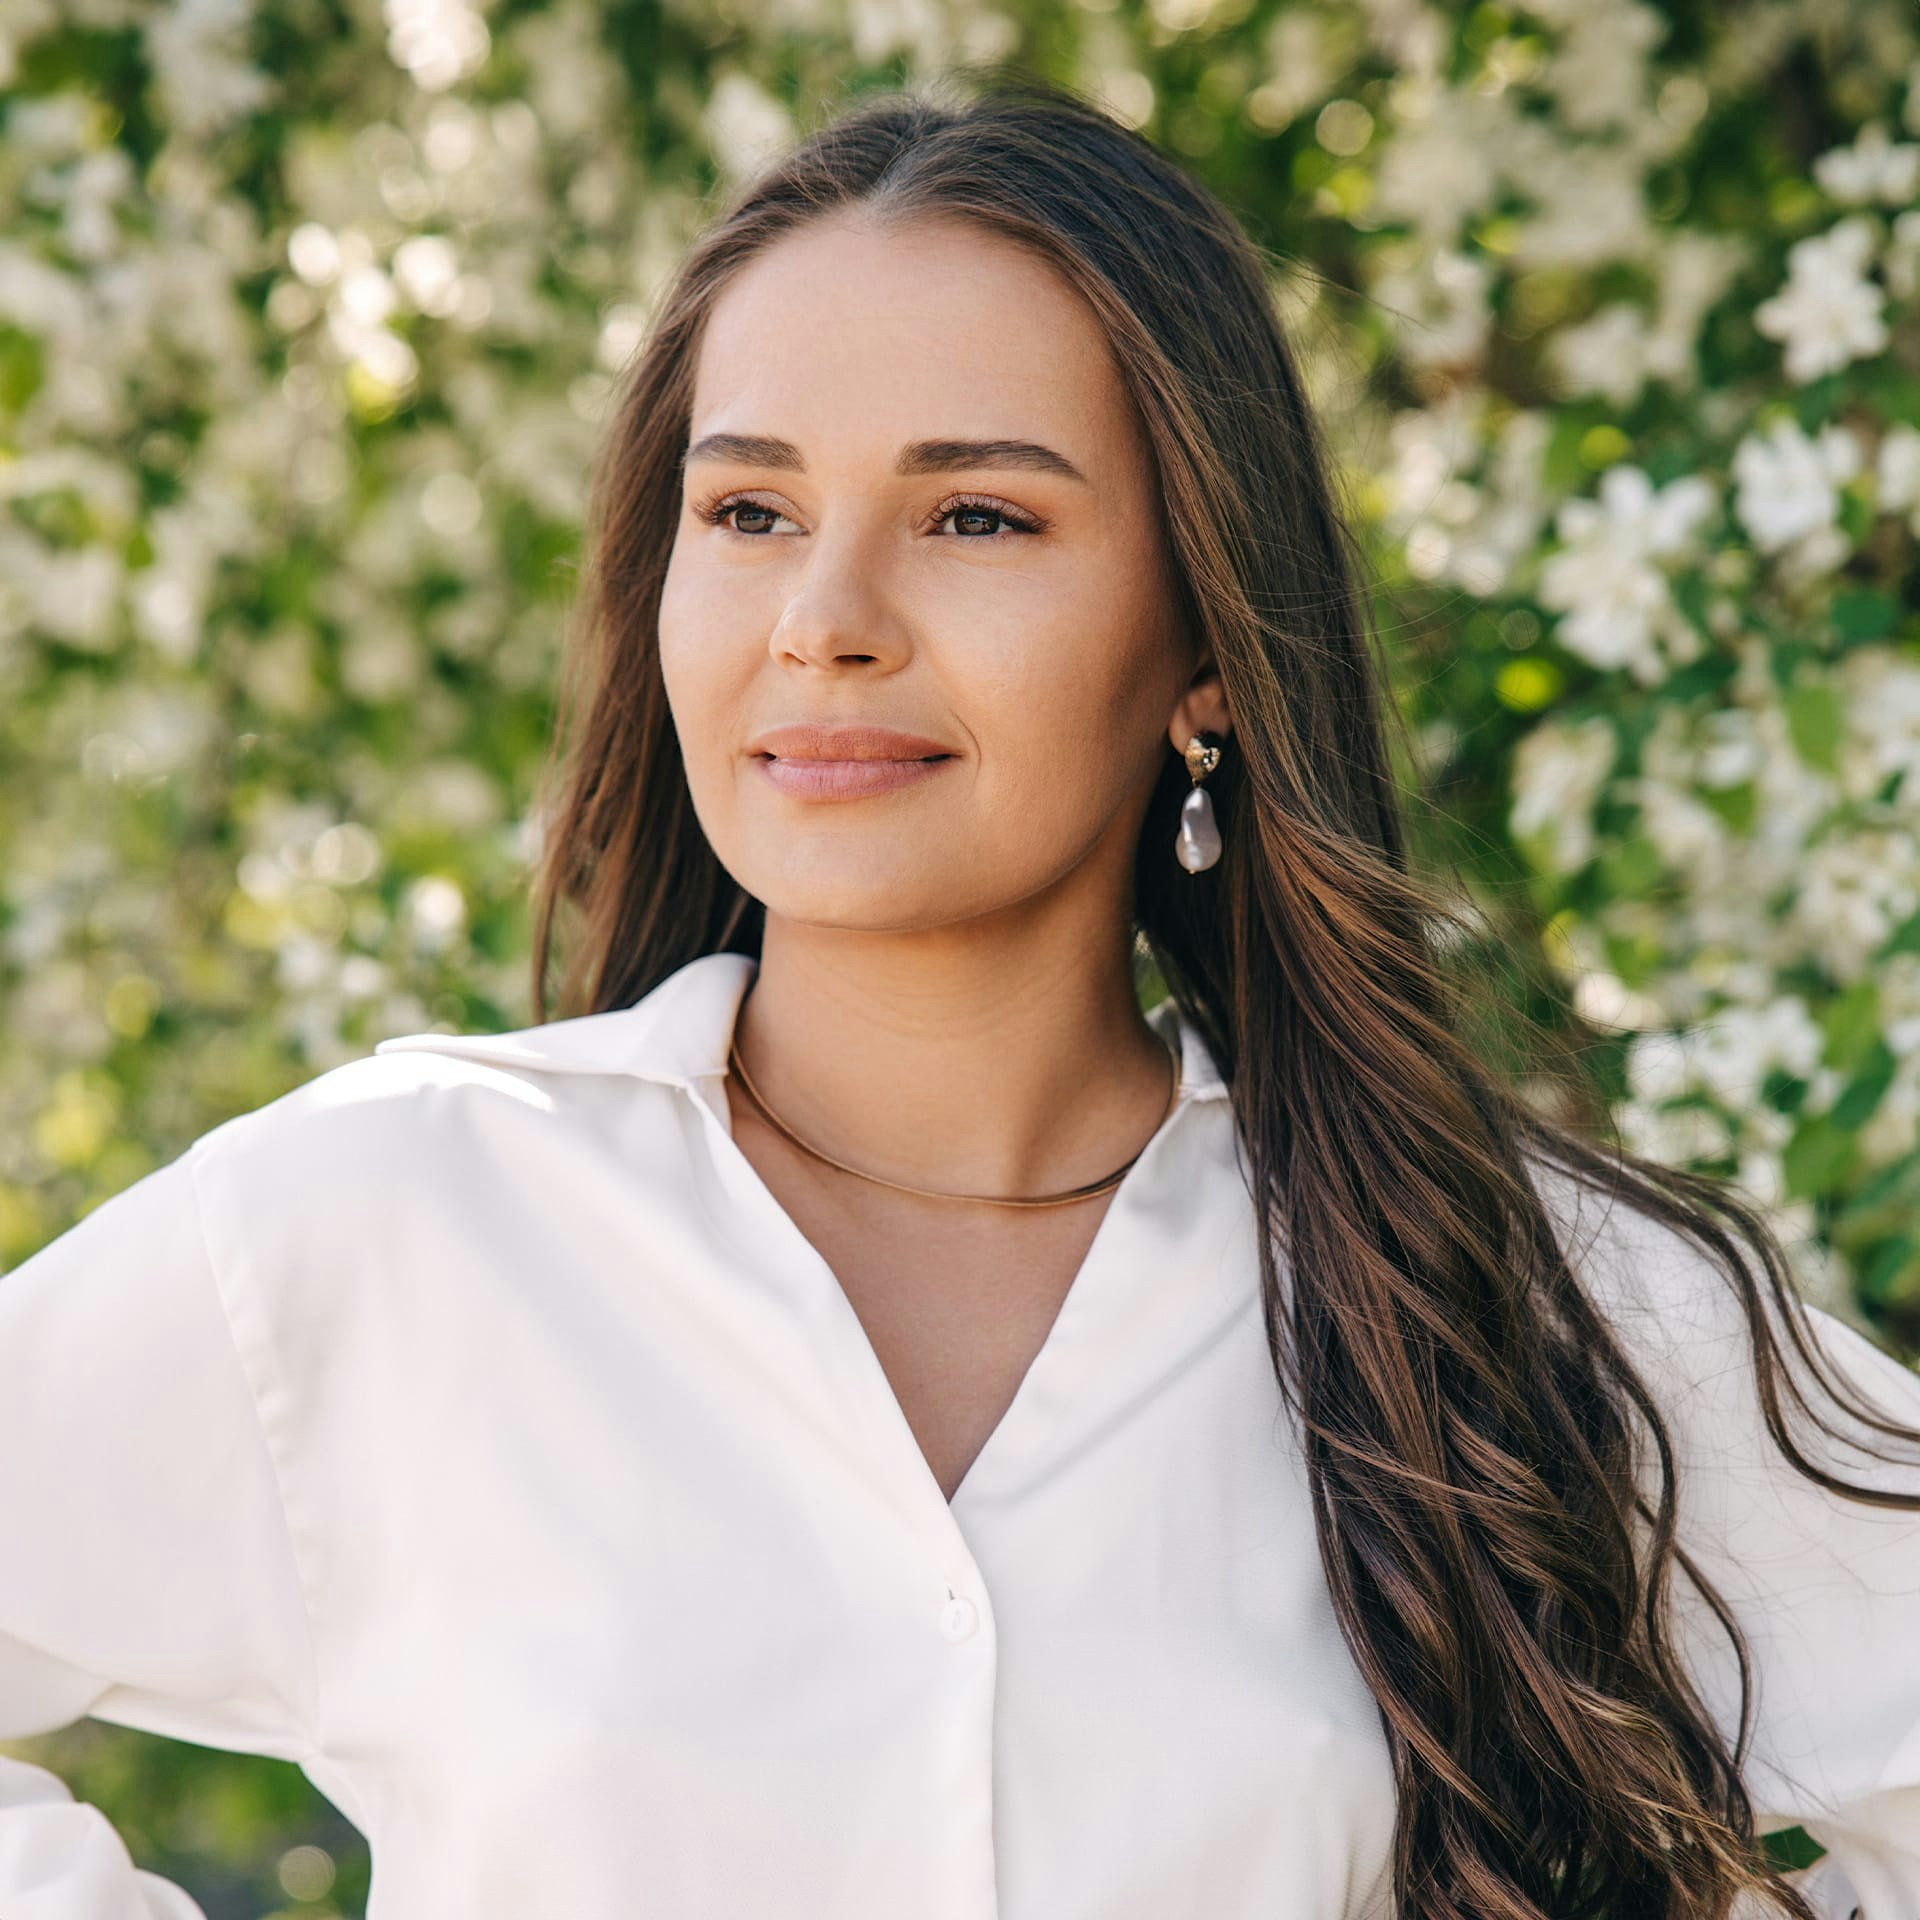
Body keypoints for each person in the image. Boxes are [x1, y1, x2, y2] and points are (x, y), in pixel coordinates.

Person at [3, 71, 1917, 1920]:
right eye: (748, 514)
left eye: (976, 517)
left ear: (1209, 646)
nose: (823, 615)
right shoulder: (400, 1215)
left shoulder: (1497, 1298)